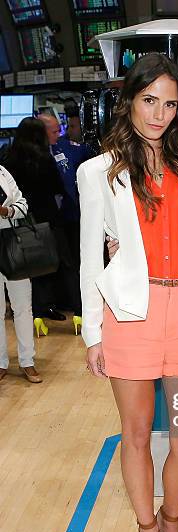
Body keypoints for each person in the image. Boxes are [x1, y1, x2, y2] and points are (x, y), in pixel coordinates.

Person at [77, 53, 178, 532]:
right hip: (130, 315)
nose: (158, 113)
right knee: (135, 435)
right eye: (149, 100)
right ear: (129, 99)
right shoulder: (98, 171)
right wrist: (91, 334)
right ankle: (146, 530)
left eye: (169, 103)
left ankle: (172, 520)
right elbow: (91, 257)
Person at [3, 117, 66, 333]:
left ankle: (36, 312)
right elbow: (57, 187)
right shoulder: (44, 159)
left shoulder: (8, 158)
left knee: (23, 266)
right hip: (45, 218)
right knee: (49, 263)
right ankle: (49, 307)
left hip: (17, 222)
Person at [39, 113, 94, 334]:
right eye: (54, 130)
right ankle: (48, 307)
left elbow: (89, 152)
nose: (59, 133)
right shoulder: (34, 155)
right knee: (51, 266)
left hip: (72, 217)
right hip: (48, 223)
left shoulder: (67, 148)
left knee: (72, 263)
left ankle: (76, 309)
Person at [0, 165, 42, 383]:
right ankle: (0, 362)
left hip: (14, 245)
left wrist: (7, 211)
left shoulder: (3, 172)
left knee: (23, 307)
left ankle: (28, 361)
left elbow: (23, 205)